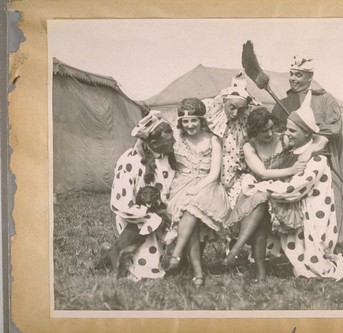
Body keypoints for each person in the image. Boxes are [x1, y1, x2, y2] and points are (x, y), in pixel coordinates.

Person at [247, 91, 343, 280]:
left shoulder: (316, 159)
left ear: (306, 133)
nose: (285, 134)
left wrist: (260, 187)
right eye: (287, 129)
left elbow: (293, 190)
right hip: (298, 215)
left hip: (314, 219)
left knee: (316, 271)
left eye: (292, 131)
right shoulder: (295, 152)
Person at [271, 56, 343, 245]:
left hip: (322, 159)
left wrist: (312, 138)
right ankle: (290, 245)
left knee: (321, 202)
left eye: (299, 75)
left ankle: (328, 243)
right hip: (291, 160)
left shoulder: (324, 99)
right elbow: (275, 130)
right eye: (291, 74)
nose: (293, 78)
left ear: (310, 77)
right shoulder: (284, 102)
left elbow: (334, 127)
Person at [222, 107, 306, 281]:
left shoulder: (283, 139)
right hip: (260, 187)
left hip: (281, 189)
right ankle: (259, 271)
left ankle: (237, 251)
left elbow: (315, 140)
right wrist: (291, 169)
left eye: (271, 128)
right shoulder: (249, 146)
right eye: (263, 131)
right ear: (253, 132)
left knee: (261, 202)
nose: (269, 133)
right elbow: (262, 173)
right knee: (260, 205)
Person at [98, 111, 176, 281]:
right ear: (153, 143)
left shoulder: (166, 158)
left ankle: (109, 252)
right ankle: (113, 254)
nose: (174, 143)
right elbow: (121, 203)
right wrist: (151, 217)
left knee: (153, 259)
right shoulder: (129, 162)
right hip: (135, 219)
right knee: (144, 274)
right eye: (169, 141)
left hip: (160, 216)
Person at [165, 98, 230, 287]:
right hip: (182, 185)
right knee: (189, 213)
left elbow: (214, 173)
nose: (190, 125)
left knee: (192, 206)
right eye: (185, 121)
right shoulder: (178, 141)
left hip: (208, 186)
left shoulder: (213, 140)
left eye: (194, 120)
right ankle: (198, 274)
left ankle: (176, 255)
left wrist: (197, 188)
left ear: (202, 121)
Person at [203, 71, 259, 208]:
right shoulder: (210, 113)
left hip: (234, 175)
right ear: (224, 101)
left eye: (241, 110)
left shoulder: (245, 120)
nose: (235, 114)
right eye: (232, 108)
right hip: (209, 175)